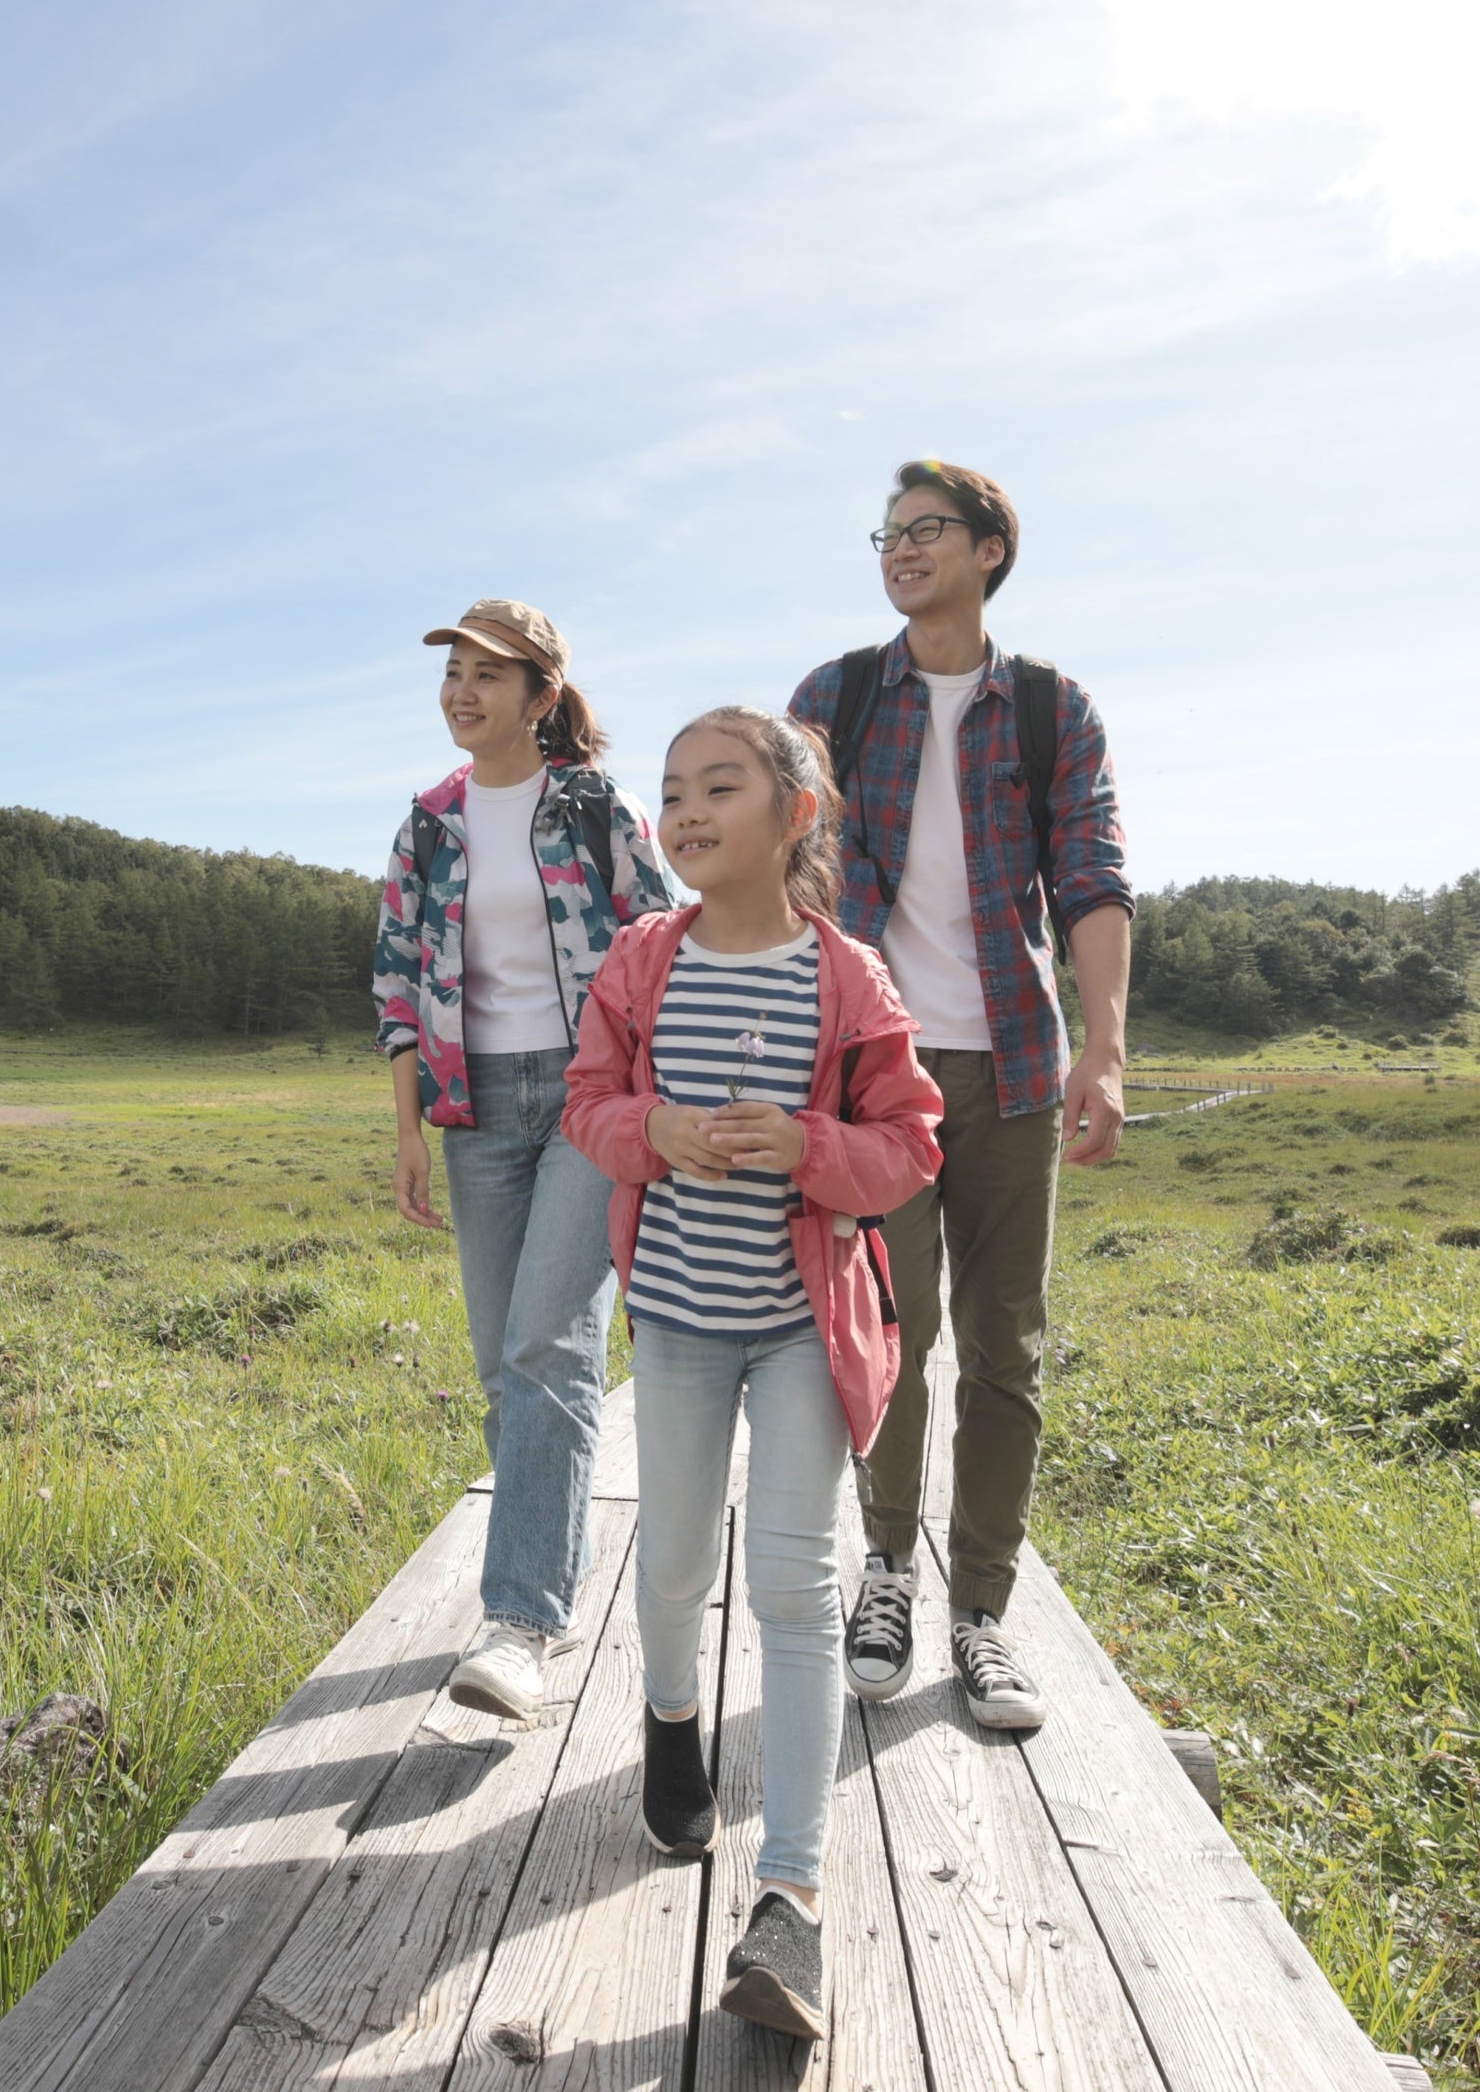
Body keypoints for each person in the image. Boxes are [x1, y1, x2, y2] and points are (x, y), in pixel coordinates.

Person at [560, 707, 941, 2042]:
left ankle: (792, 1898)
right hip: (673, 1319)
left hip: (798, 1330)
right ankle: (674, 1721)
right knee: (671, 1563)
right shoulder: (639, 959)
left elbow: (910, 1145)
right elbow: (587, 1104)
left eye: (720, 786)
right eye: (673, 790)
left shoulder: (848, 976)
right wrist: (652, 1127)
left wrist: (810, 1148)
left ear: (797, 815)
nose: (686, 810)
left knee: (792, 1584)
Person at [786, 459, 1132, 1732]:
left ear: (991, 549)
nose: (899, 548)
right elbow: (782, 863)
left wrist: (1105, 1046)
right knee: (892, 1332)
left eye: (926, 529)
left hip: (1013, 1064)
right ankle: (885, 1569)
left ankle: (981, 1610)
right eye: (886, 531)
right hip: (875, 1067)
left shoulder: (1049, 707)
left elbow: (1092, 876)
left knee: (1006, 1346)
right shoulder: (834, 697)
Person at [373, 598, 678, 1722]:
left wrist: (660, 1102)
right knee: (504, 1366)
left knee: (551, 1340)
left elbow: (664, 944)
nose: (461, 692)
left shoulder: (596, 807)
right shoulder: (430, 823)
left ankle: (521, 1620)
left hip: (591, 1099)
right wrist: (407, 1127)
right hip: (475, 1106)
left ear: (541, 695)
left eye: (487, 674)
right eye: (452, 671)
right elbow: (397, 980)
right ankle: (555, 1561)